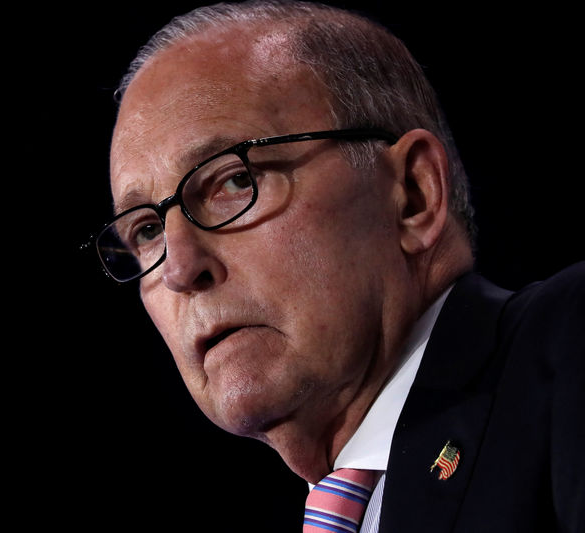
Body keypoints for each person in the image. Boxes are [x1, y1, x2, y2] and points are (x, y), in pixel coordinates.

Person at [85, 1, 584, 530]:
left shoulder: (571, 349)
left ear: (413, 195)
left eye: (233, 182)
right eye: (147, 230)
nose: (181, 268)